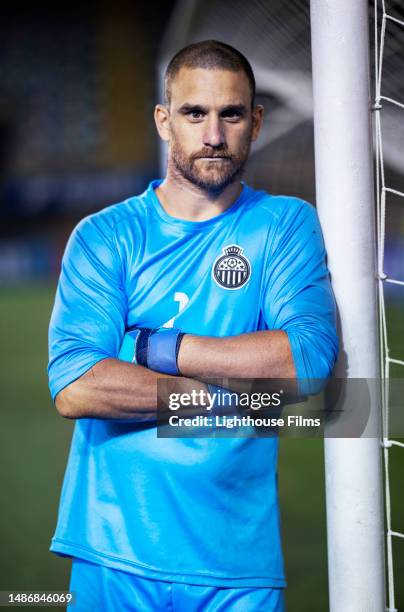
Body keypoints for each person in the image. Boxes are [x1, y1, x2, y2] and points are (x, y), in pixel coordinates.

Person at [48, 40, 338, 611]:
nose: (213, 134)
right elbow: (77, 385)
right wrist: (227, 398)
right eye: (193, 113)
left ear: (254, 122)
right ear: (164, 120)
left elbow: (304, 364)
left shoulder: (283, 225)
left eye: (230, 114)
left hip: (238, 567)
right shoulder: (105, 236)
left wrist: (155, 347)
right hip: (113, 553)